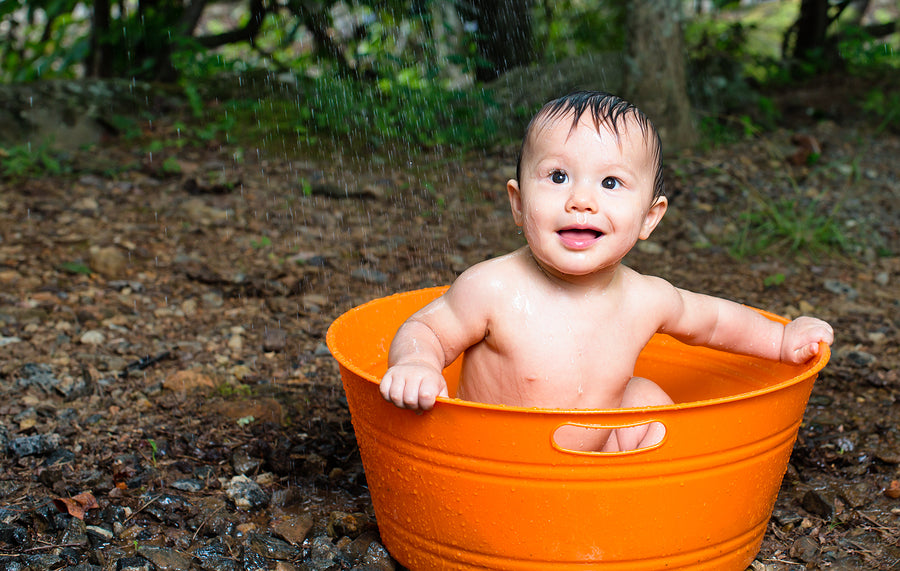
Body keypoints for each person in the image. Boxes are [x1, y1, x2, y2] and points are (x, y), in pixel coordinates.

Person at [379, 91, 834, 452]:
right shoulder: (491, 288)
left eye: (610, 183)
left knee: (644, 399)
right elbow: (429, 330)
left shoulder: (644, 298)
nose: (581, 199)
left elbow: (714, 321)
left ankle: (641, 502)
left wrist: (779, 340)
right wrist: (417, 362)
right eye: (557, 176)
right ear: (518, 204)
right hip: (494, 461)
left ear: (648, 218)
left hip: (595, 457)